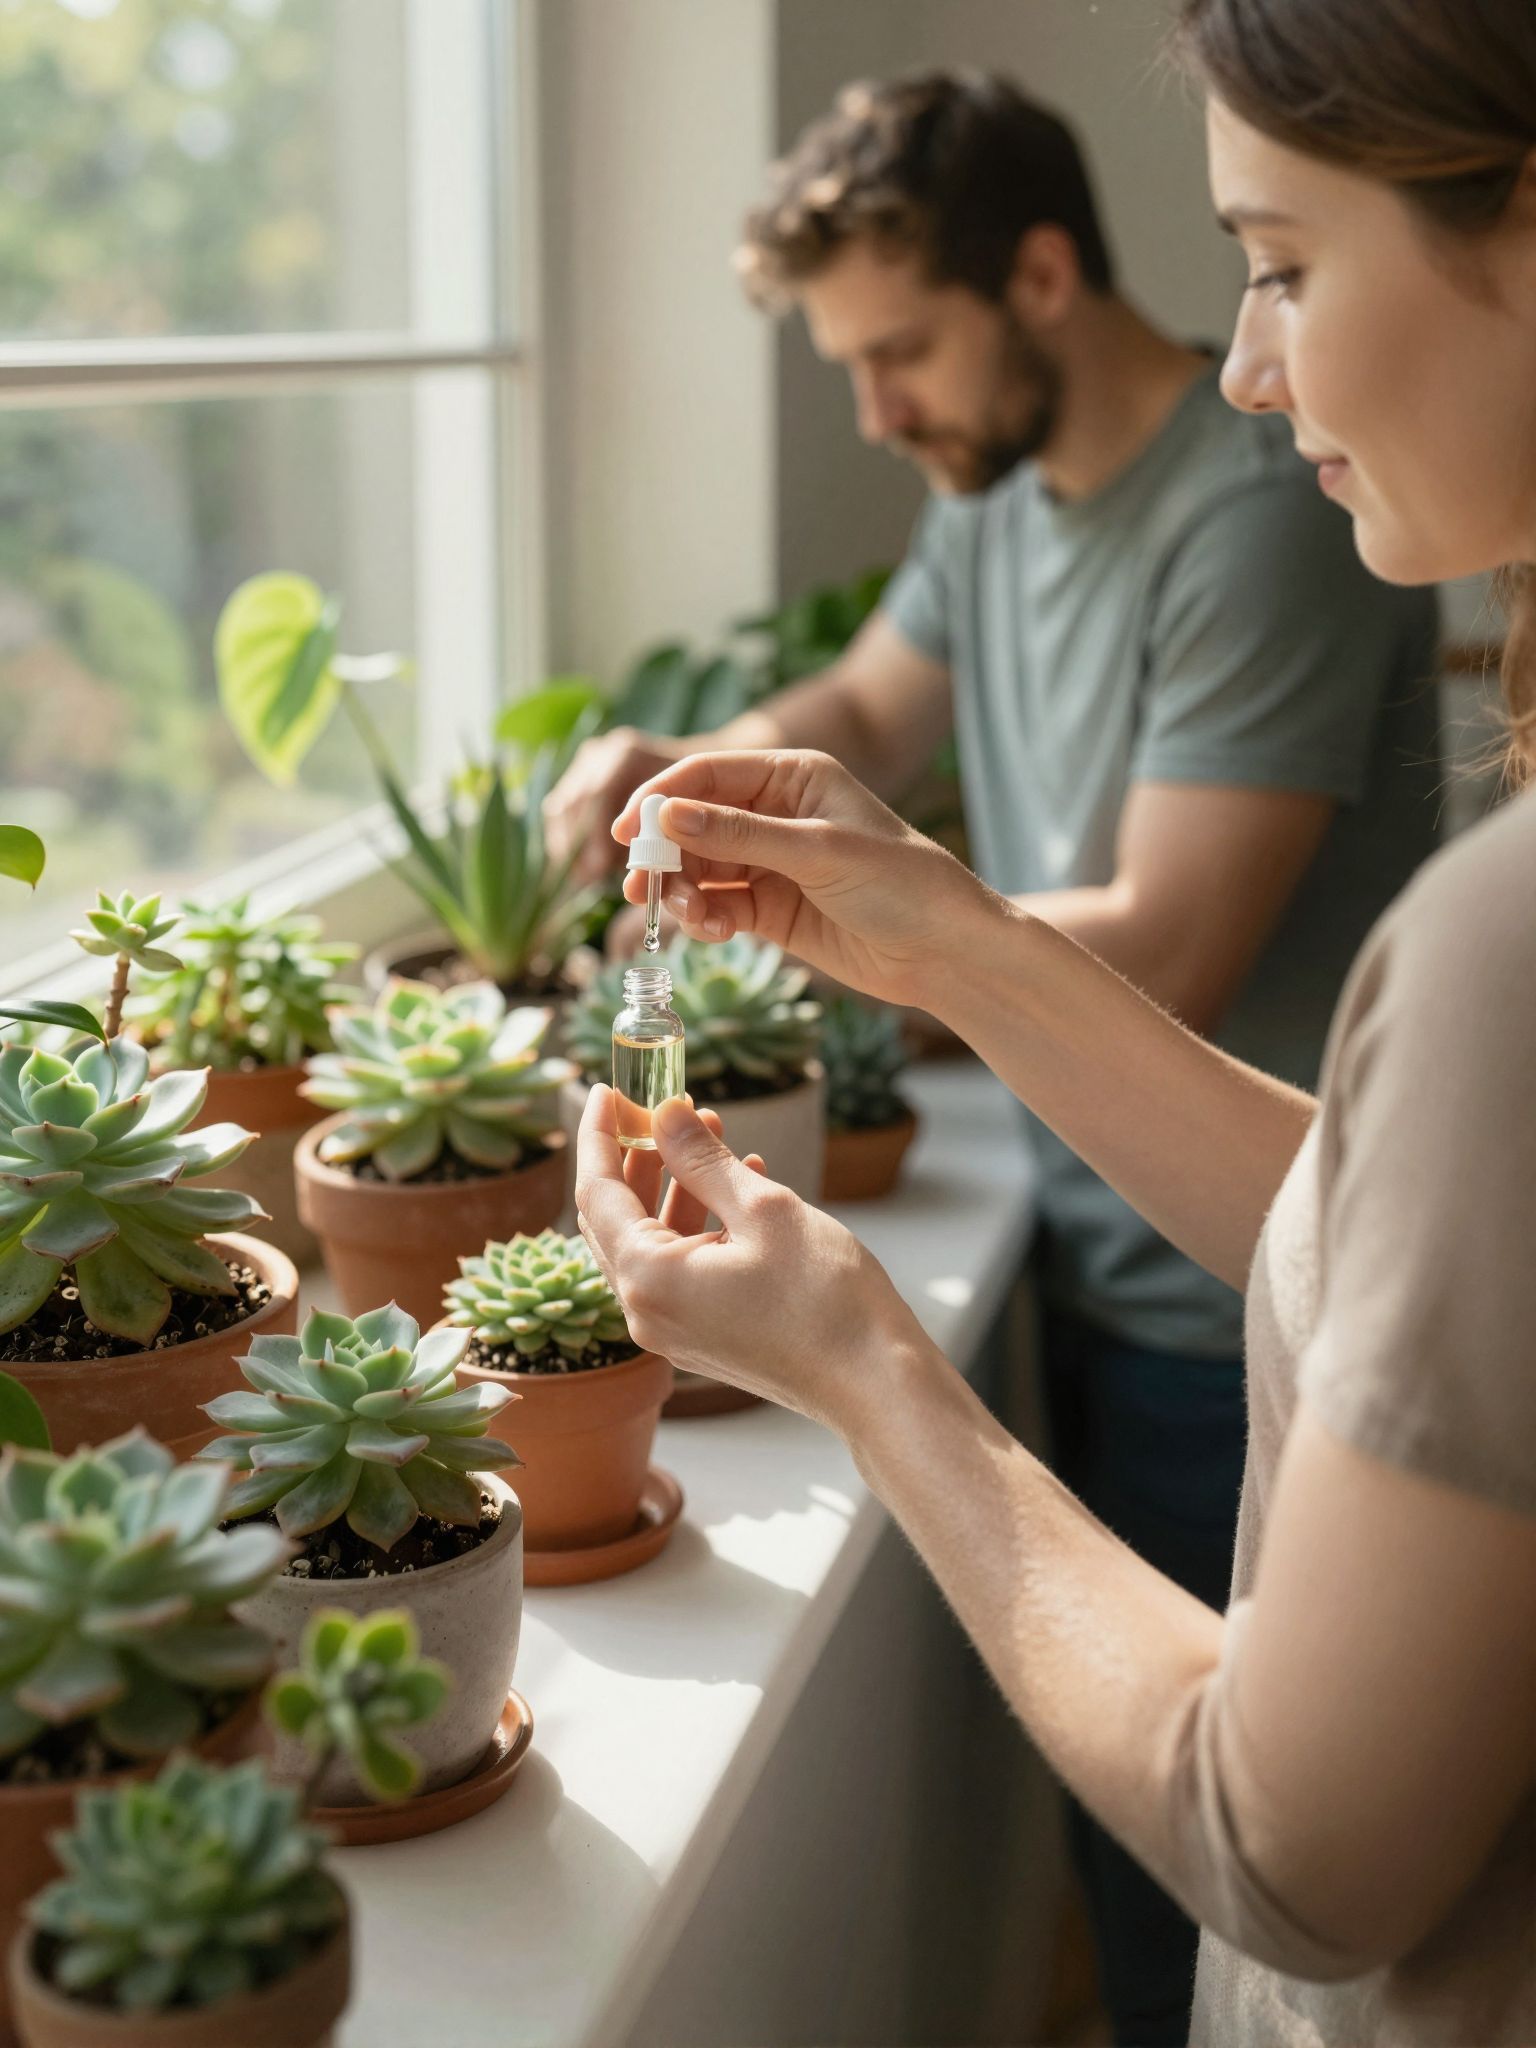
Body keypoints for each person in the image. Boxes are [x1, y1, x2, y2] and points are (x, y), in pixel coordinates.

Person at [573, 5, 1536, 2044]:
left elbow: (1287, 1848)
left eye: (1281, 263)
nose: (1258, 365)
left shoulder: (1496, 947)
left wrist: (856, 1357)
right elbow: (1399, 1242)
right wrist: (936, 935)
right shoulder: (992, 507)